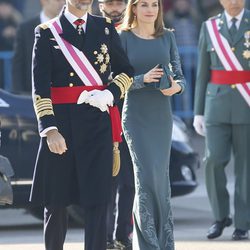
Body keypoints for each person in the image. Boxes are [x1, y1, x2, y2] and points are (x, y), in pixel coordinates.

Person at [30, 0, 134, 249]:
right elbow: (40, 87)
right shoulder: (47, 32)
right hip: (61, 127)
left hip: (97, 122)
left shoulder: (106, 28)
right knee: (56, 202)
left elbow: (126, 72)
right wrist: (50, 129)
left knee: (98, 200)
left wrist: (110, 94)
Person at [119, 0, 186, 249]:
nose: (150, 9)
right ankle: (147, 244)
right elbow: (114, 81)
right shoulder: (122, 37)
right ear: (133, 8)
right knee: (145, 179)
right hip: (136, 117)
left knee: (160, 180)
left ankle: (165, 242)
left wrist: (176, 88)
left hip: (162, 117)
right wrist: (141, 79)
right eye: (144, 4)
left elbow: (180, 75)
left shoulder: (167, 37)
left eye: (154, 5)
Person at [193, 0, 250, 241]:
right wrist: (198, 112)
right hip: (215, 105)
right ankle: (220, 216)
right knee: (213, 160)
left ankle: (243, 222)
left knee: (245, 167)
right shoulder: (210, 27)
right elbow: (202, 72)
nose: (234, 2)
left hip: (247, 106)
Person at [98, 0, 135, 249]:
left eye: (119, 2)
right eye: (109, 2)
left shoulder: (135, 30)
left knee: (130, 181)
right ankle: (105, 237)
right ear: (100, 5)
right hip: (101, 112)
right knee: (105, 181)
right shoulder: (92, 29)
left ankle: (124, 234)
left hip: (131, 113)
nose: (114, 7)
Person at [12, 0, 65, 94]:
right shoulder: (25, 28)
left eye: (64, 0)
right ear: (44, 1)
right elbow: (18, 65)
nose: (62, 3)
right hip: (32, 95)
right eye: (58, 0)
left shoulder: (70, 26)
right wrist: (19, 95)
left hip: (63, 94)